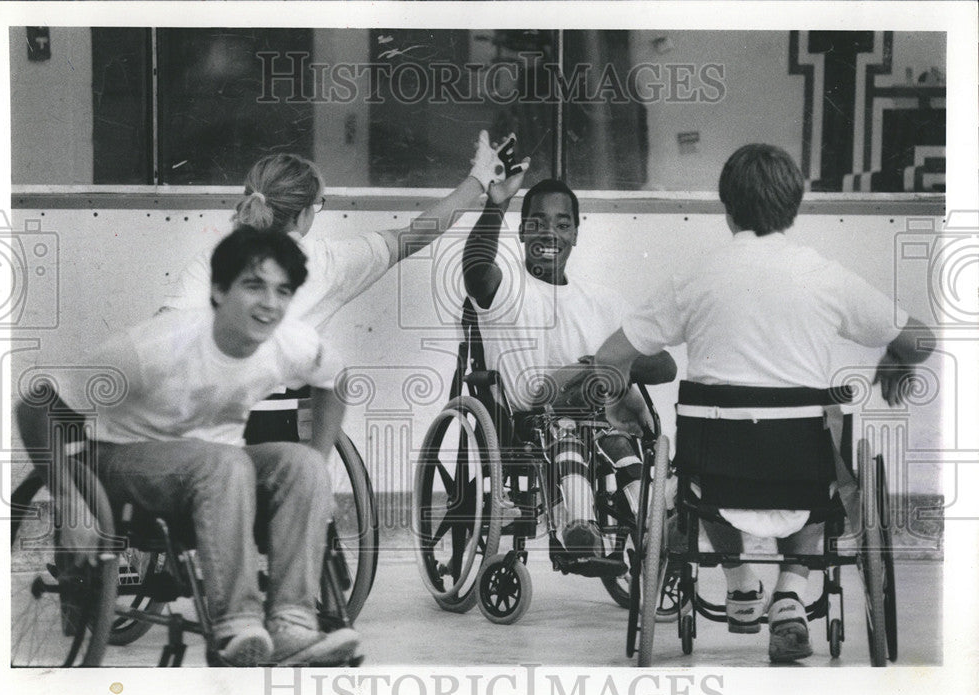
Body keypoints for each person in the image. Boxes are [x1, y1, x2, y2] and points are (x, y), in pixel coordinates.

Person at [595, 143, 935, 662]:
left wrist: (622, 402)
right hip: (803, 477)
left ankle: (739, 582)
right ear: (793, 207)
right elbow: (921, 339)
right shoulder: (823, 275)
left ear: (726, 206)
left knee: (699, 459)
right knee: (828, 439)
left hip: (713, 479)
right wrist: (895, 355)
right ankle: (791, 595)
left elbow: (611, 356)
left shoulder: (696, 277)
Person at [17, 227, 359, 667]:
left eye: (283, 291)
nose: (270, 304)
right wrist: (70, 501)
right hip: (119, 461)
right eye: (253, 286)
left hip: (216, 471)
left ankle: (292, 623)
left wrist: (317, 462)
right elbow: (35, 407)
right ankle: (236, 624)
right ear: (218, 290)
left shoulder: (289, 342)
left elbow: (335, 382)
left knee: (303, 465)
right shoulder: (153, 347)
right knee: (223, 462)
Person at [461, 162, 676, 565]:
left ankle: (654, 524)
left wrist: (603, 364)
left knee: (617, 441)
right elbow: (474, 269)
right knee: (567, 432)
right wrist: (496, 206)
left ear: (575, 233)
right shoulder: (505, 286)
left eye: (562, 224)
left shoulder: (602, 300)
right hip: (533, 416)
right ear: (522, 230)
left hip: (603, 418)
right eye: (538, 222)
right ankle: (579, 526)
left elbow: (664, 366)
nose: (549, 233)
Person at [162, 131, 519, 331]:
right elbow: (412, 236)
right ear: (303, 215)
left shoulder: (208, 262)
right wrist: (477, 180)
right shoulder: (325, 262)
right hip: (284, 426)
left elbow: (162, 332)